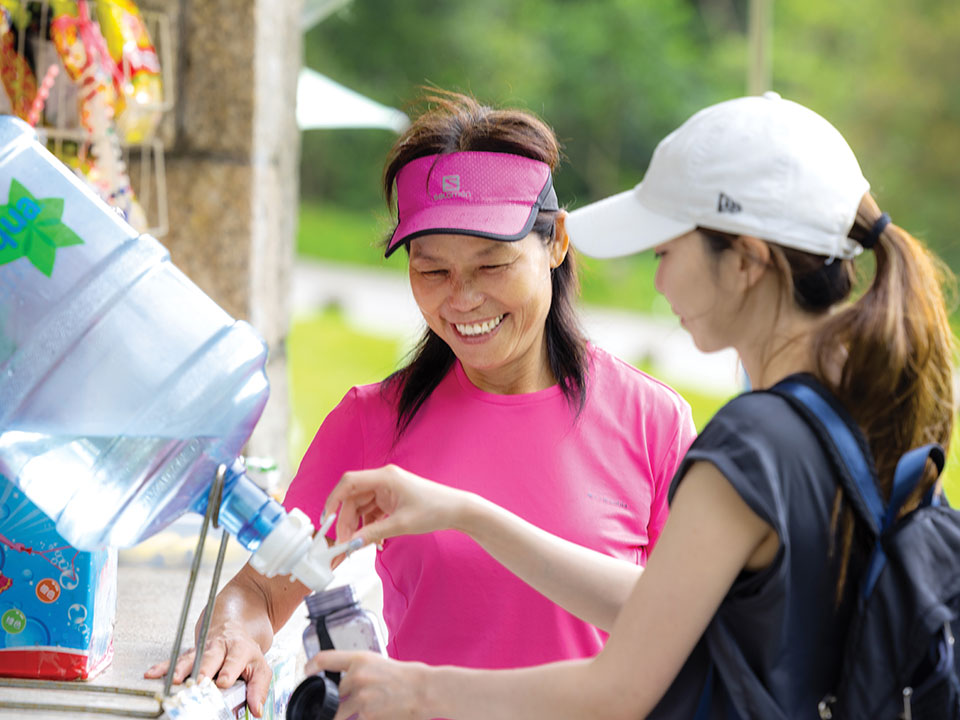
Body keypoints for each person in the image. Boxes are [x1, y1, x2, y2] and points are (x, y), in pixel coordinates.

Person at [307, 92, 957, 719]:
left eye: (665, 251)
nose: (658, 280)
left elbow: (617, 691)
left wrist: (415, 692)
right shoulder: (841, 420)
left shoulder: (751, 446)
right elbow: (664, 607)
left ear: (746, 263)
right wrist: (467, 513)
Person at [145, 90, 696, 716]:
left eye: (492, 265)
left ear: (557, 242)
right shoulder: (370, 422)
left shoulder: (654, 422)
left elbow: (690, 630)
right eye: (432, 271)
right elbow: (264, 590)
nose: (461, 300)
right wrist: (233, 632)